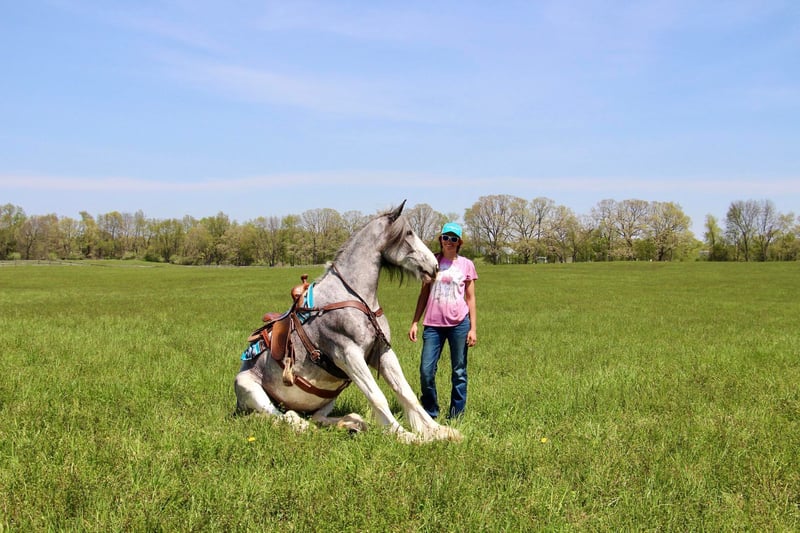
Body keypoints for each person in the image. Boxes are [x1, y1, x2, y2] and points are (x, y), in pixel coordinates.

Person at [408, 222, 477, 420]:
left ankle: (456, 415)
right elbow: (423, 295)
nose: (449, 242)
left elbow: (471, 299)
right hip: (433, 326)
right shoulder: (432, 264)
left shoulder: (466, 265)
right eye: (446, 237)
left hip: (459, 325)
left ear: (459, 242)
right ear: (441, 240)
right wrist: (414, 322)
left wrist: (473, 328)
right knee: (426, 371)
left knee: (459, 372)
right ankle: (430, 412)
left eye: (453, 239)